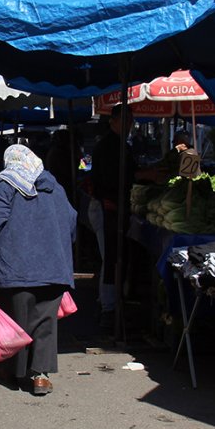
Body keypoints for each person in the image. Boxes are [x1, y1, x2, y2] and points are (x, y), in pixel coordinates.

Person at [0, 145, 76, 395]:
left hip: (14, 267)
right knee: (45, 321)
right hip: (53, 267)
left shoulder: (5, 184)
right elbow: (71, 220)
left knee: (16, 320)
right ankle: (40, 376)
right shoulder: (55, 187)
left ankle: (13, 371)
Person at [89, 103, 135, 326]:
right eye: (126, 120)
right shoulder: (108, 146)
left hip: (113, 208)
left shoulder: (120, 145)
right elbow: (114, 178)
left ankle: (109, 302)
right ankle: (108, 307)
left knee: (114, 256)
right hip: (106, 207)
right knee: (110, 257)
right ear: (114, 121)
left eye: (132, 120)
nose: (130, 125)